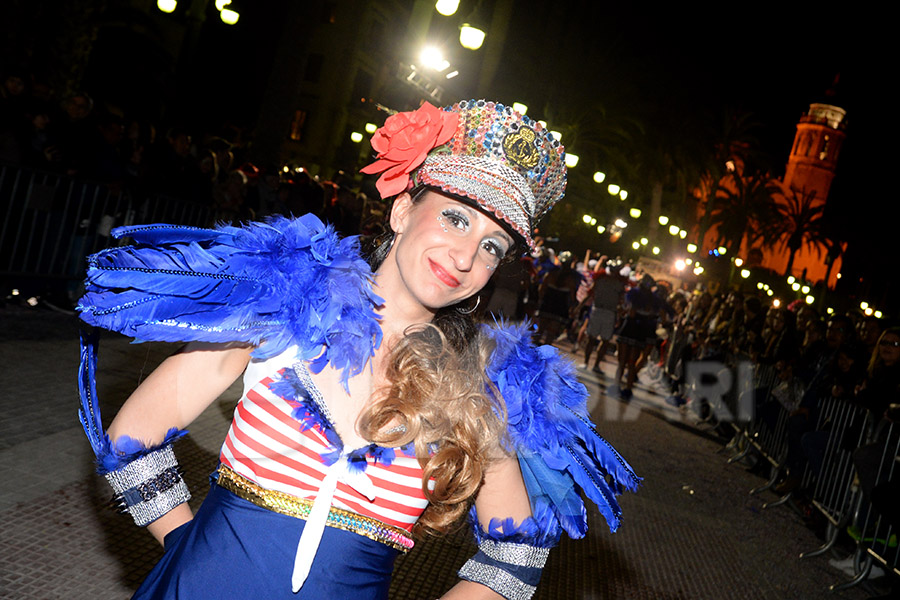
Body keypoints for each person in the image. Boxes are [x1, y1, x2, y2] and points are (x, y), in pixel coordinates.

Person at [76, 100, 639, 599]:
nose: (466, 256)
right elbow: (134, 437)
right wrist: (191, 546)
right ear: (401, 211)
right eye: (455, 217)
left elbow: (516, 557)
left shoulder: (478, 389)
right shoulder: (285, 310)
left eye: (491, 245)